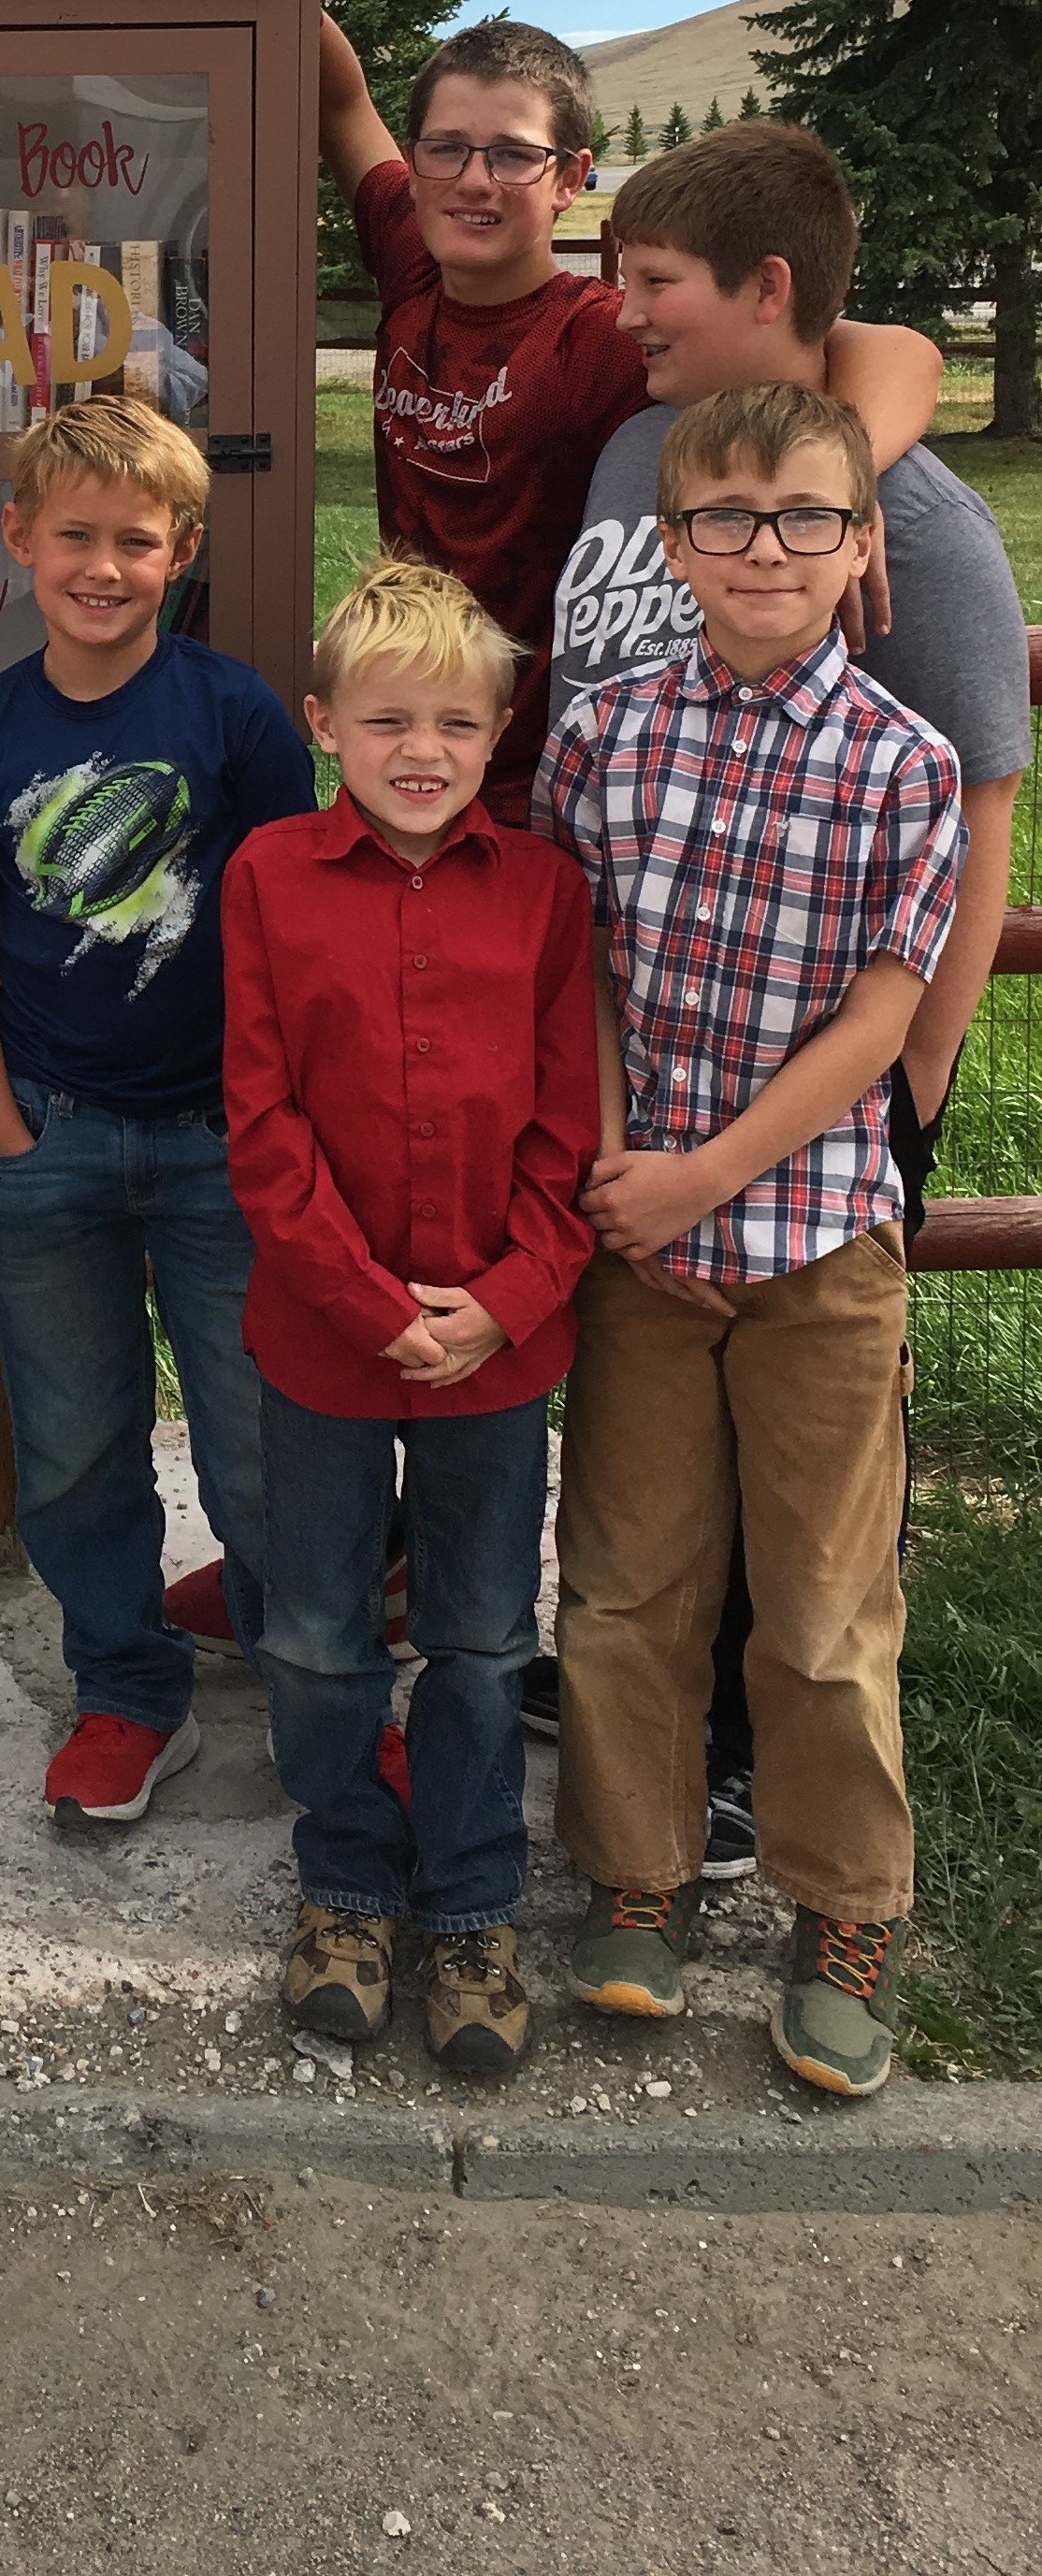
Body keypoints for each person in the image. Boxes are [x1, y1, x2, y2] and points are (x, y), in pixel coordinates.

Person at [535, 117, 1033, 1869]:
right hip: (639, 1043)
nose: (623, 316)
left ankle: (760, 1758)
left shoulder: (919, 527)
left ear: (765, 290)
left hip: (824, 1078)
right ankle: (643, 1720)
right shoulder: (633, 455)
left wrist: (901, 1102)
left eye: (653, 284)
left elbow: (975, 820)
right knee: (644, 1441)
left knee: (803, 1481)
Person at [536, 382, 962, 2103]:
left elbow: (880, 1017)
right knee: (628, 1578)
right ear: (672, 544)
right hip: (641, 1235)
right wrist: (627, 1164)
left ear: (857, 544)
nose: (761, 547)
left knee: (821, 1602)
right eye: (723, 518)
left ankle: (842, 1906)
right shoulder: (601, 738)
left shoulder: (901, 761)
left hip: (817, 1243)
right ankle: (635, 1871)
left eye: (801, 516)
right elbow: (578, 971)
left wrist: (709, 1172)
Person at [185, 0, 946, 816]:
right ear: (418, 160)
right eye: (448, 147)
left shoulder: (606, 335)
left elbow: (887, 347)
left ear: (570, 175)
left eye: (513, 153)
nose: (474, 178)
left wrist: (849, 475)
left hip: (534, 770)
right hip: (399, 747)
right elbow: (343, 102)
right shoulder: (412, 252)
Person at [0, 394, 318, 1825]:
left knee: (263, 1435)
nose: (102, 564)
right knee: (75, 1442)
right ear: (19, 538)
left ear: (183, 549)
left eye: (135, 540)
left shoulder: (235, 713)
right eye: (73, 535)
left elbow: (300, 929)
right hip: (55, 1130)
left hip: (224, 1142)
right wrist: (2, 1132)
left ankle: (314, 1681)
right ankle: (126, 1687)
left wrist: (274, 1116)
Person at [223, 558, 598, 2078]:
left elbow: (570, 1126)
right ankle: (345, 1881)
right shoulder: (267, 878)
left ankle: (471, 1901)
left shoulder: (545, 893)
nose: (422, 749)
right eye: (386, 720)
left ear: (501, 729)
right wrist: (372, 1306)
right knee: (315, 1633)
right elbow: (258, 1120)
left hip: (499, 1348)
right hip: (323, 1339)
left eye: (455, 719)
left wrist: (498, 1301)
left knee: (478, 1632)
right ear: (324, 722)